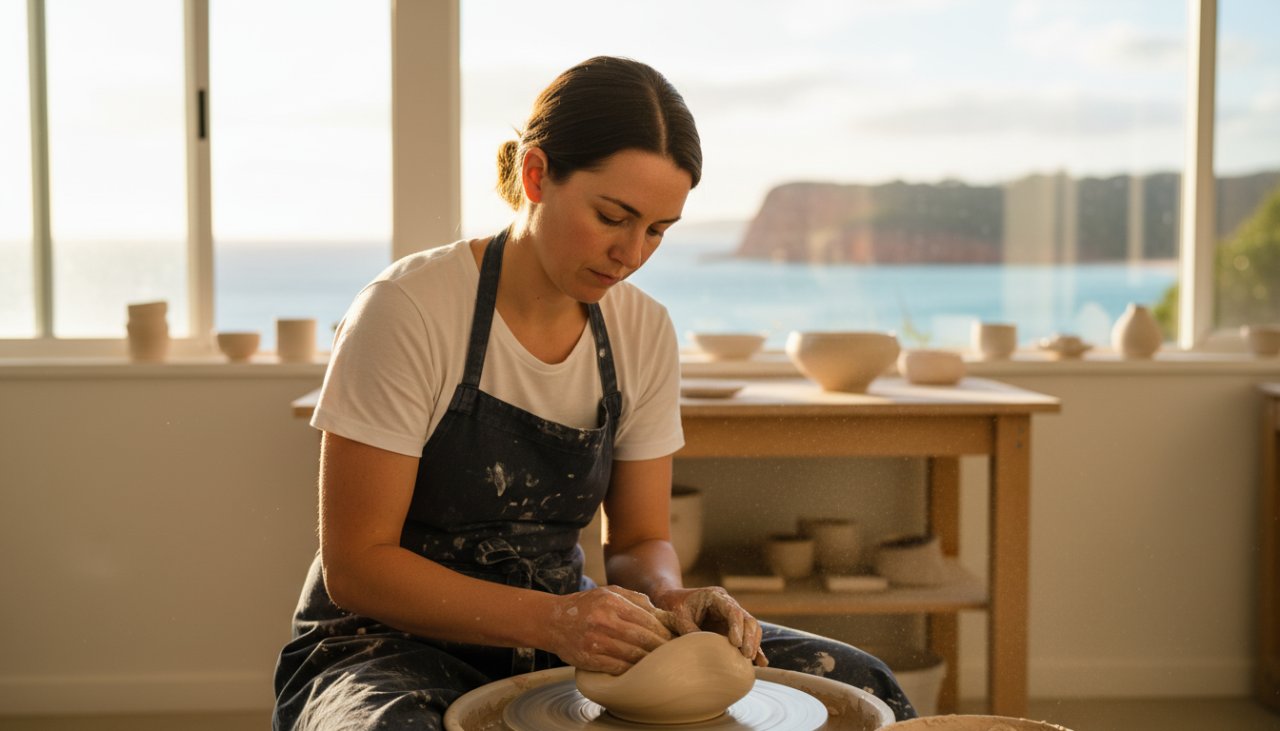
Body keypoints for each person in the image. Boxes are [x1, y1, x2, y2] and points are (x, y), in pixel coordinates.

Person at [272, 56, 916, 729]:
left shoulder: (641, 330)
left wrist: (670, 596)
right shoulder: (409, 309)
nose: (632, 253)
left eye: (658, 230)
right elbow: (357, 567)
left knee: (863, 684)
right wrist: (555, 619)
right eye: (614, 216)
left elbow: (638, 538)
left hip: (566, 632)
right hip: (387, 642)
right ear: (535, 175)